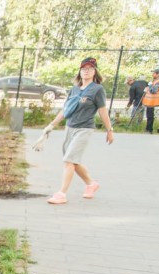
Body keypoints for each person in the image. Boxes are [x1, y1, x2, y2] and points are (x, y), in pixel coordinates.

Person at [43, 57, 114, 205]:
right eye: (83, 68)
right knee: (72, 161)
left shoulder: (97, 89)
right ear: (80, 71)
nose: (86, 71)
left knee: (69, 160)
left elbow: (102, 111)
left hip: (84, 129)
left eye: (90, 68)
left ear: (95, 71)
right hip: (70, 127)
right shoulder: (74, 89)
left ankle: (61, 194)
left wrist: (109, 130)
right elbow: (65, 110)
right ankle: (91, 184)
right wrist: (51, 125)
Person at [142, 68, 159, 134]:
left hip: (153, 102)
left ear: (158, 74)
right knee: (149, 116)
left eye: (154, 73)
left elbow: (154, 91)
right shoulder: (154, 81)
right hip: (149, 102)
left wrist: (150, 85)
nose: (152, 74)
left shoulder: (158, 82)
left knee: (150, 116)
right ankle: (147, 128)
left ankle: (149, 129)